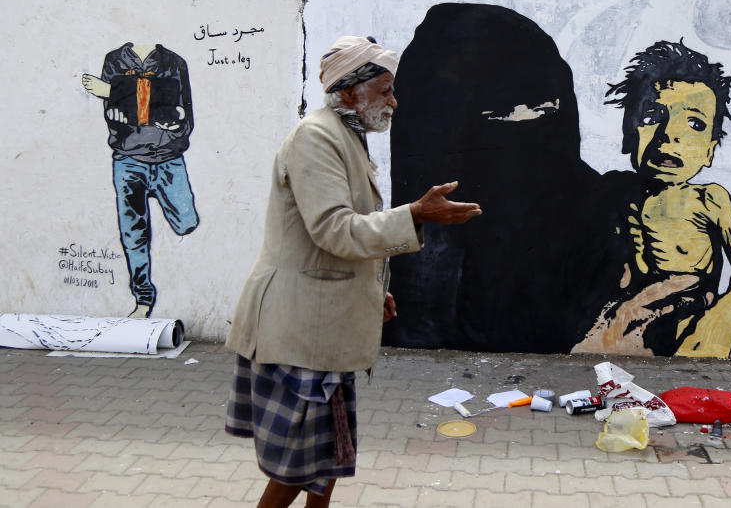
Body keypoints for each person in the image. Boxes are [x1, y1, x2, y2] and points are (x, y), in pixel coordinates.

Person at [224, 35, 481, 508]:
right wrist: (416, 215)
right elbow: (335, 230)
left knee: (327, 459)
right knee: (298, 468)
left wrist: (373, 289)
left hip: (325, 326)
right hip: (300, 329)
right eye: (384, 90)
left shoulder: (346, 135)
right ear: (349, 92)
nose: (394, 102)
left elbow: (345, 233)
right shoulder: (315, 138)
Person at [573, 40, 731, 358]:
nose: (669, 134)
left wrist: (719, 325)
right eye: (651, 116)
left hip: (686, 345)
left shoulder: (708, 200)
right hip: (615, 344)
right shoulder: (609, 192)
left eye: (694, 123)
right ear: (627, 132)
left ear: (710, 149)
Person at [81, 43, 198, 318]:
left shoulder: (173, 61)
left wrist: (116, 92)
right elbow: (114, 116)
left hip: (169, 158)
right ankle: (143, 298)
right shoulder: (115, 60)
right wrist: (152, 105)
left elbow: (182, 112)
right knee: (134, 234)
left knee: (187, 223)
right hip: (128, 159)